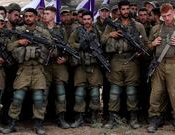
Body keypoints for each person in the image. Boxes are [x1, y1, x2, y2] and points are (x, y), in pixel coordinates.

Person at [101, 0, 148, 129]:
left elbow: (145, 43)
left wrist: (140, 52)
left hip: (132, 61)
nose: (126, 11)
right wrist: (111, 34)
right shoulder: (112, 25)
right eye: (123, 9)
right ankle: (112, 119)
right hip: (116, 60)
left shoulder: (138, 26)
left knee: (131, 91)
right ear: (119, 10)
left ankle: (133, 118)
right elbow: (102, 40)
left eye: (128, 9)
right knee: (114, 91)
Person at [5, 8, 52, 135]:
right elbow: (9, 47)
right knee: (18, 97)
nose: (28, 18)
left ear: (36, 17)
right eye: (25, 16)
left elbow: (52, 49)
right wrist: (19, 42)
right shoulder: (18, 31)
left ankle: (39, 123)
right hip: (23, 68)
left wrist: (39, 51)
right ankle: (12, 123)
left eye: (31, 16)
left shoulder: (43, 32)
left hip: (38, 68)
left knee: (38, 98)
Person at [69, 10, 103, 128]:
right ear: (82, 20)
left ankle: (94, 117)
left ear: (92, 20)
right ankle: (79, 118)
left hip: (94, 66)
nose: (87, 21)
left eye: (89, 19)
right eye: (85, 19)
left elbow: (102, 44)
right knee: (79, 93)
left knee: (94, 94)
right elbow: (70, 44)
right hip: (81, 66)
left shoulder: (97, 31)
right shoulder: (77, 31)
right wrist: (80, 46)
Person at [147, 3, 175, 133]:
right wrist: (152, 44)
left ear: (173, 13)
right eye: (164, 16)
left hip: (173, 64)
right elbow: (147, 47)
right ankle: (154, 118)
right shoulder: (156, 29)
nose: (167, 18)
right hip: (158, 64)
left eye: (169, 15)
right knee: (156, 93)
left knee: (174, 94)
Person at [43, 6, 70, 129]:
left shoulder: (61, 29)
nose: (45, 15)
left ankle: (61, 118)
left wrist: (65, 58)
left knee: (61, 93)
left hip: (59, 65)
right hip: (45, 65)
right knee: (44, 93)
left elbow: (67, 46)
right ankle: (40, 119)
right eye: (44, 13)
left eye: (47, 13)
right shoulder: (40, 29)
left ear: (54, 15)